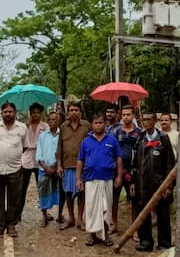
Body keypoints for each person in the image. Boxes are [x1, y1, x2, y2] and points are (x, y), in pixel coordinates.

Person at [130, 109, 175, 252]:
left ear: (155, 121)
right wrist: (133, 181)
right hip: (142, 183)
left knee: (162, 215)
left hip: (160, 184)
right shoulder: (140, 139)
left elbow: (170, 164)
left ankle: (164, 243)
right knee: (143, 213)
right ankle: (146, 241)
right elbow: (134, 163)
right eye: (143, 120)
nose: (146, 122)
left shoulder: (163, 138)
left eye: (149, 119)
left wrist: (169, 186)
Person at [76, 114, 122, 247]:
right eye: (95, 123)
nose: (98, 125)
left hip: (107, 179)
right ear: (92, 124)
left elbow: (118, 158)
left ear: (105, 124)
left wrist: (119, 176)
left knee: (106, 209)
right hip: (90, 179)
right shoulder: (86, 141)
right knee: (91, 208)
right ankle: (92, 235)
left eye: (100, 122)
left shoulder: (112, 140)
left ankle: (106, 235)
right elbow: (80, 161)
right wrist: (78, 179)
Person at [0, 102, 30, 239]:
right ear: (1, 114)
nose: (8, 114)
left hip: (15, 169)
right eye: (5, 112)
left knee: (14, 200)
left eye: (10, 111)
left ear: (15, 113)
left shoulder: (22, 128)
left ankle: (11, 226)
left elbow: (25, 147)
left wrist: (13, 156)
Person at [56, 102, 90, 230]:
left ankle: (80, 219)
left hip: (83, 166)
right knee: (68, 193)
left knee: (81, 192)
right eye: (71, 110)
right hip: (67, 165)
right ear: (68, 112)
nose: (74, 112)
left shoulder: (86, 126)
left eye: (76, 110)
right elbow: (59, 147)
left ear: (80, 112)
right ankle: (71, 218)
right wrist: (59, 165)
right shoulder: (63, 126)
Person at [110, 104, 140, 232]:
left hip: (132, 171)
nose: (126, 117)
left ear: (133, 115)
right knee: (114, 198)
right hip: (117, 170)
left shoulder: (139, 132)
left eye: (128, 114)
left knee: (134, 199)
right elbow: (111, 150)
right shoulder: (115, 131)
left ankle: (134, 228)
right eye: (123, 115)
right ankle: (114, 224)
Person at [20, 103, 49, 218]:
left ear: (41, 114)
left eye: (37, 113)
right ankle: (18, 214)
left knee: (42, 187)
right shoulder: (23, 126)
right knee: (22, 188)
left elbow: (48, 141)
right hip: (26, 158)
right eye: (33, 113)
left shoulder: (45, 126)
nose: (35, 115)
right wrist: (26, 126)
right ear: (30, 113)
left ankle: (45, 214)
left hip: (40, 159)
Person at [36, 111, 60, 225]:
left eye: (54, 119)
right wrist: (46, 168)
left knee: (60, 192)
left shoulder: (62, 135)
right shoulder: (43, 136)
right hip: (44, 169)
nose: (51, 122)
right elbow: (39, 154)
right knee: (43, 192)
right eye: (49, 120)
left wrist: (55, 167)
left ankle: (60, 215)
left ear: (58, 121)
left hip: (57, 168)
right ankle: (44, 216)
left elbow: (62, 153)